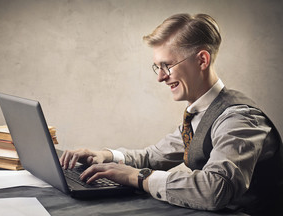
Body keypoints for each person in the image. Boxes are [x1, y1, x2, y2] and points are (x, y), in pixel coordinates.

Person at [59, 13, 283, 215]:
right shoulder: (199, 113)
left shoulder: (239, 119)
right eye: (158, 67)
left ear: (202, 60)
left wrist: (137, 177)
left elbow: (215, 188)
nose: (160, 77)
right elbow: (154, 156)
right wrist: (105, 157)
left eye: (167, 65)